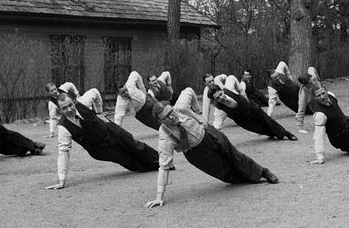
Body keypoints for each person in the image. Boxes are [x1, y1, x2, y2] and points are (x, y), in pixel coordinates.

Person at [144, 97, 279, 208]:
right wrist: (159, 196)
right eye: (166, 117)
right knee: (228, 175)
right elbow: (164, 165)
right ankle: (249, 177)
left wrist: (201, 118)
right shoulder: (165, 134)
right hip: (197, 154)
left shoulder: (181, 108)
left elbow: (189, 92)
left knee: (235, 156)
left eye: (171, 112)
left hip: (209, 134)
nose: (172, 117)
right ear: (160, 121)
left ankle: (263, 172)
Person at [45, 90, 160, 189]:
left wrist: (99, 112)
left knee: (135, 145)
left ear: (74, 102)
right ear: (60, 110)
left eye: (70, 105)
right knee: (129, 161)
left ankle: (162, 162)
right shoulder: (63, 127)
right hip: (99, 149)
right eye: (64, 108)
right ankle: (153, 167)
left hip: (110, 131)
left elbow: (95, 92)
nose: (69, 110)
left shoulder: (84, 102)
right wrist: (62, 179)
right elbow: (63, 152)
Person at [207, 82, 298, 141]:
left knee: (267, 120)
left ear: (221, 90)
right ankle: (273, 133)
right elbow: (217, 124)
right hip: (243, 120)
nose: (221, 98)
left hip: (251, 107)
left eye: (220, 94)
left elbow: (233, 78)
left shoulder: (229, 87)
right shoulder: (219, 110)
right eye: (218, 98)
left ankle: (286, 133)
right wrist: (212, 135)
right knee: (259, 128)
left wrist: (242, 93)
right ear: (215, 100)